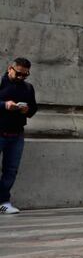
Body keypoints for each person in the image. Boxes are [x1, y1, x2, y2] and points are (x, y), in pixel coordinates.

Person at [0, 58, 37, 215]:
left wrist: (26, 110)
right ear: (10, 69)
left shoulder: (28, 88)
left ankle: (3, 201)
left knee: (11, 170)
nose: (22, 77)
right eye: (19, 74)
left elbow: (34, 108)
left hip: (16, 135)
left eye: (25, 74)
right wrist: (5, 105)